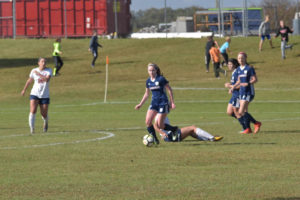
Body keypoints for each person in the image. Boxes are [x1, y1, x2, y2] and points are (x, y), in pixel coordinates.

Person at [135, 63, 176, 145]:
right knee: (148, 121)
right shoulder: (148, 81)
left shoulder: (161, 79)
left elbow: (169, 89)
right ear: (148, 71)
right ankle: (154, 139)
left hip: (163, 103)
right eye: (149, 70)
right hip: (154, 103)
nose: (151, 72)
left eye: (153, 70)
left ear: (156, 70)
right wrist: (140, 104)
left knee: (160, 125)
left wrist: (171, 102)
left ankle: (174, 130)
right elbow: (147, 94)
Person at [231, 52, 261, 134]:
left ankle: (256, 123)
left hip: (248, 92)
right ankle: (248, 129)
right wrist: (233, 87)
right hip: (241, 92)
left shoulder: (249, 68)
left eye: (242, 58)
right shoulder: (238, 69)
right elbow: (239, 81)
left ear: (245, 58)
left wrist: (248, 83)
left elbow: (255, 79)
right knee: (243, 111)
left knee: (240, 112)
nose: (240, 60)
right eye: (239, 58)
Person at [21, 58, 52, 134]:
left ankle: (45, 122)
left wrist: (38, 74)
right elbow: (29, 80)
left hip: (45, 95)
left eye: (45, 61)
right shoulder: (33, 70)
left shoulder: (48, 70)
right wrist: (24, 89)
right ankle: (32, 129)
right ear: (38, 63)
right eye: (42, 61)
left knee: (43, 114)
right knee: (33, 110)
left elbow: (46, 79)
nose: (44, 63)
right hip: (34, 93)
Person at [154, 116, 223, 142]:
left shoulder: (161, 113)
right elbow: (155, 125)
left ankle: (208, 139)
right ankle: (212, 138)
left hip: (170, 136)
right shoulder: (160, 114)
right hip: (171, 136)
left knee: (191, 131)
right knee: (192, 128)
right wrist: (163, 133)